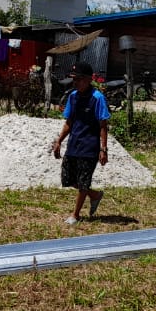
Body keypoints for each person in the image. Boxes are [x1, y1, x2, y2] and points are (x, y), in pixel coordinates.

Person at [49, 62, 109, 225]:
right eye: (74, 79)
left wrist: (103, 149)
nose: (75, 83)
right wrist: (59, 141)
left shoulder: (97, 98)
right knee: (68, 179)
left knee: (83, 181)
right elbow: (69, 121)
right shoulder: (73, 96)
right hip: (74, 144)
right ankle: (95, 195)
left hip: (90, 147)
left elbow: (103, 125)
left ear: (89, 79)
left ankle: (75, 215)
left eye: (79, 79)